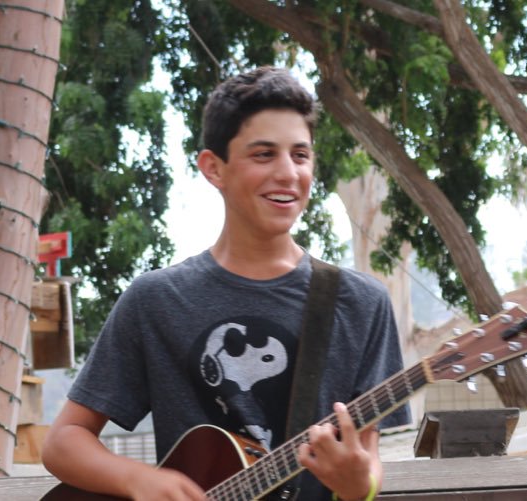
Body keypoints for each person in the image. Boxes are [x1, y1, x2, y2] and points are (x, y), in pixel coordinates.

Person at [43, 67, 408, 501]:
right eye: (263, 154)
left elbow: (367, 465)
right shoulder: (156, 300)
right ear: (214, 168)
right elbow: (63, 441)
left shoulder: (361, 303)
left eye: (301, 155)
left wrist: (358, 485)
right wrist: (140, 480)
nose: (288, 173)